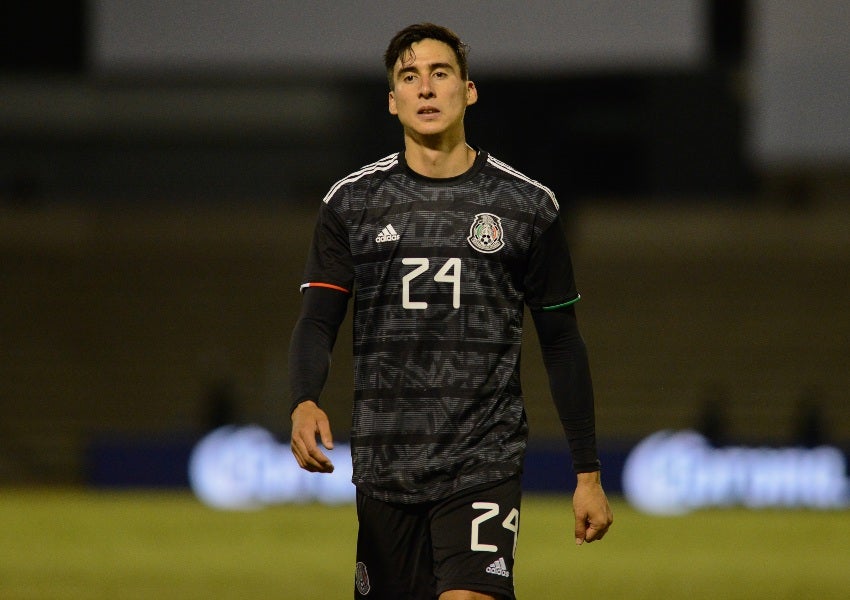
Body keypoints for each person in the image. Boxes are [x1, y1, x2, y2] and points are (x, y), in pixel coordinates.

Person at [288, 22, 612, 600]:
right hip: (387, 463)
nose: (427, 88)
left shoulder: (526, 207)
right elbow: (317, 319)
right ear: (392, 101)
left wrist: (586, 473)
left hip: (482, 459)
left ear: (469, 90)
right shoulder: (352, 203)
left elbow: (562, 342)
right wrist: (304, 398)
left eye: (440, 74)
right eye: (410, 77)